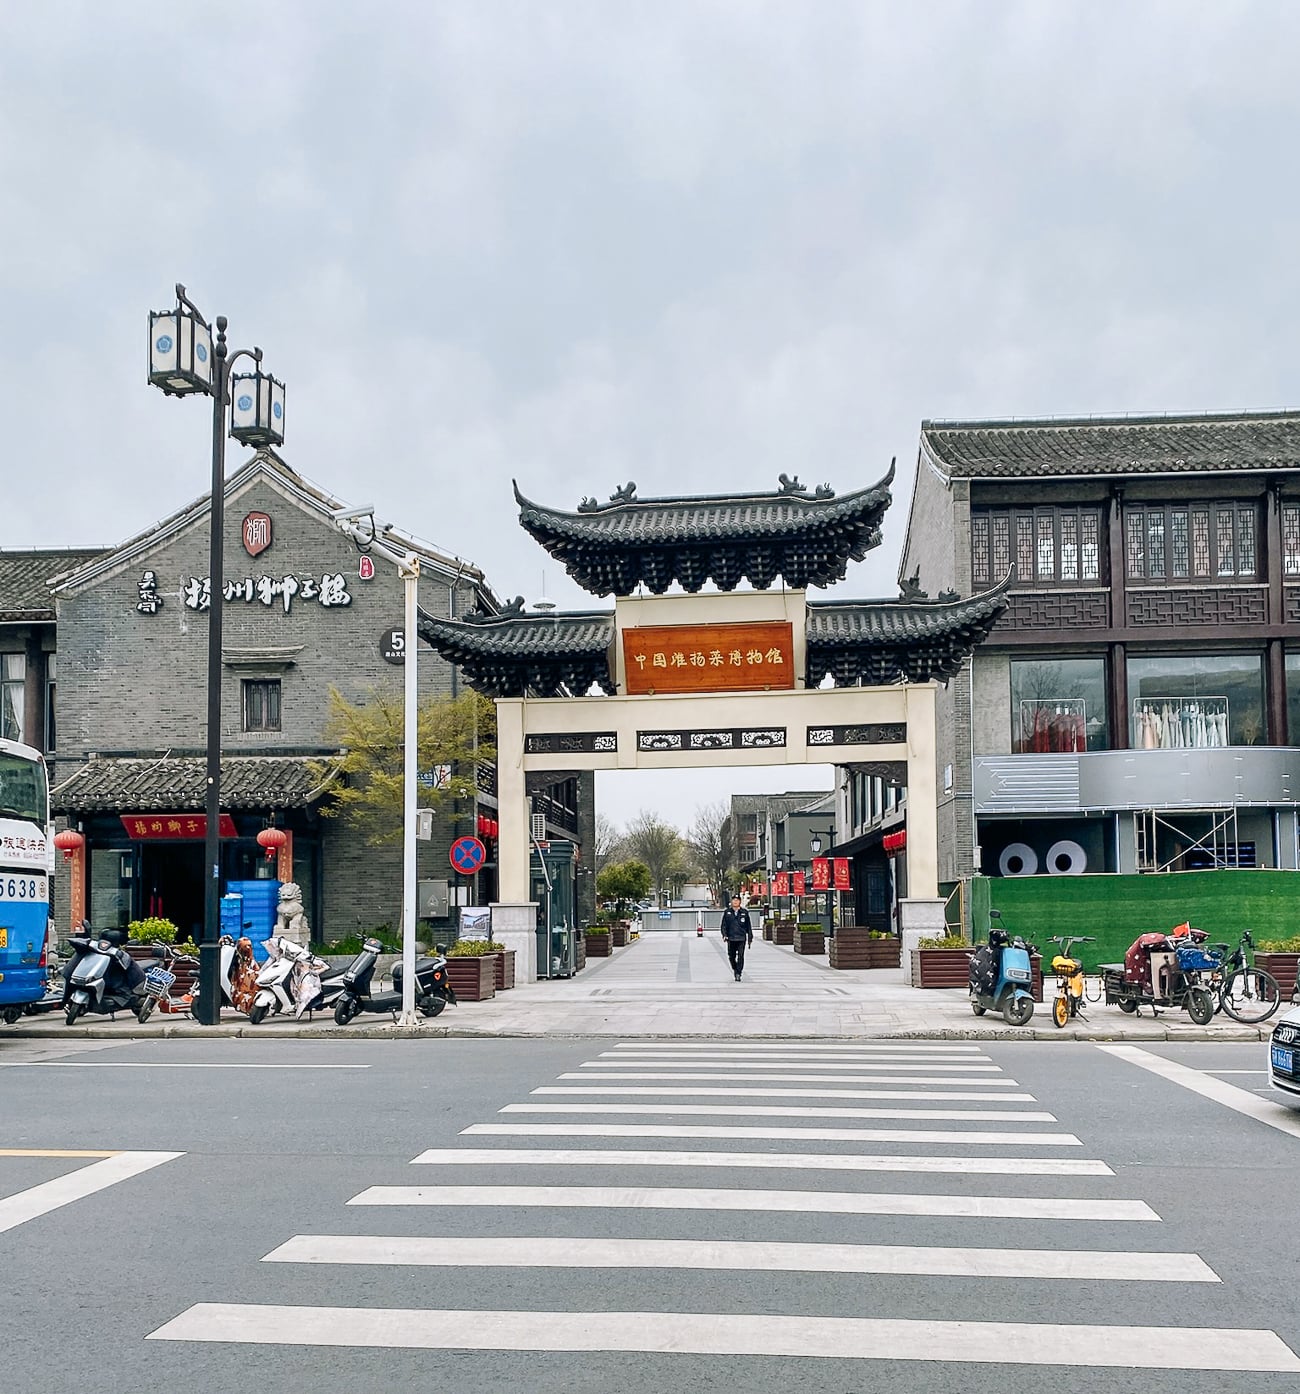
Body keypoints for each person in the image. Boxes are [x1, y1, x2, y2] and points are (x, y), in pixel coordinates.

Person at [719, 895, 753, 982]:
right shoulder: (727, 912)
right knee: (731, 956)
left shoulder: (744, 913)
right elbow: (723, 925)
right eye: (734, 900)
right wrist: (724, 935)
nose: (735, 902)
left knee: (741, 956)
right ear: (731, 901)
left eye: (737, 900)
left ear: (740, 902)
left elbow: (748, 927)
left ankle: (738, 972)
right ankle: (735, 968)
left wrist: (750, 938)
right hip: (731, 938)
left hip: (741, 938)